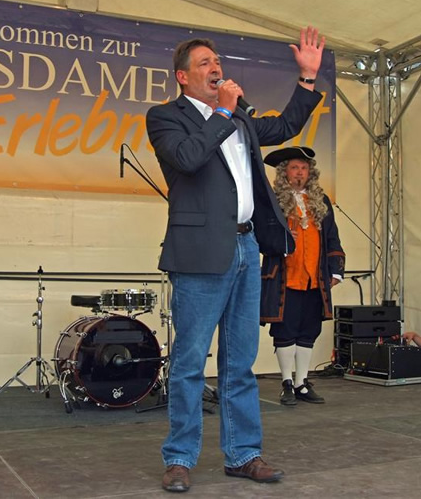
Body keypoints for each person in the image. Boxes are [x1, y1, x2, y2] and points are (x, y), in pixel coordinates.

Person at [146, 26, 325, 493]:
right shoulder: (165, 117)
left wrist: (307, 78)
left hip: (247, 247)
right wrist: (223, 111)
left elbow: (283, 128)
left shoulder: (241, 118)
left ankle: (243, 453)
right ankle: (179, 457)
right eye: (205, 63)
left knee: (241, 361)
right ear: (183, 77)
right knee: (189, 362)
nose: (216, 68)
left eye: (217, 61)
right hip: (200, 253)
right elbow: (188, 158)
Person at [260, 146, 345, 406]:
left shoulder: (321, 201)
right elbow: (259, 236)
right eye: (295, 168)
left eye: (304, 168)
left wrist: (336, 270)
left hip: (314, 278)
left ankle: (302, 383)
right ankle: (287, 382)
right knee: (285, 331)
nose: (300, 173)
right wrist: (281, 239)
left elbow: (332, 237)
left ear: (311, 172)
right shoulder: (272, 200)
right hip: (285, 277)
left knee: (309, 330)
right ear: (284, 172)